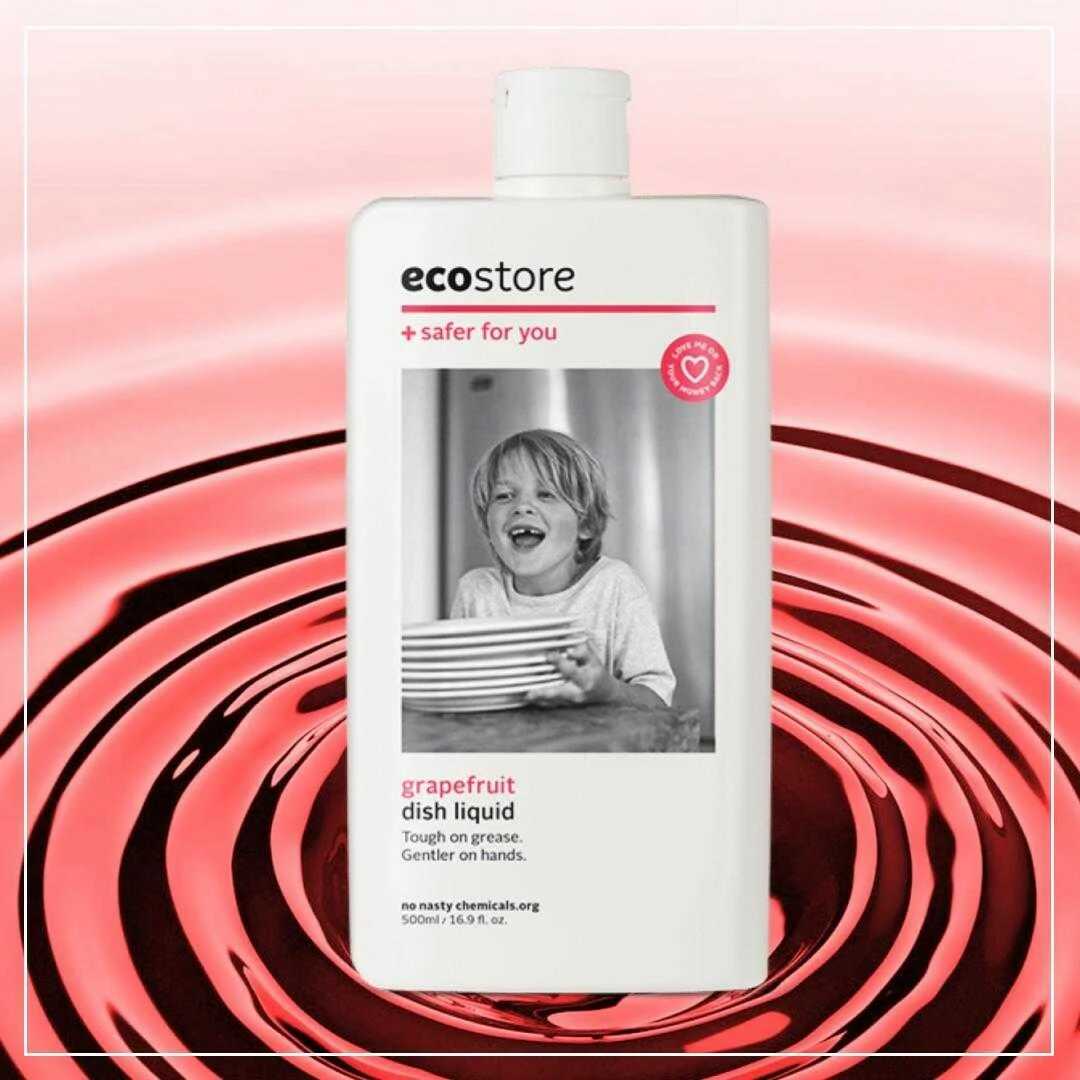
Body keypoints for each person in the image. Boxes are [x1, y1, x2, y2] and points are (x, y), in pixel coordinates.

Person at [450, 428, 675, 709]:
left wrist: (609, 691)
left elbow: (658, 701)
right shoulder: (476, 591)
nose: (522, 507)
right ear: (487, 525)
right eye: (504, 496)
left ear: (585, 525)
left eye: (546, 494)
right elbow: (453, 689)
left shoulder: (615, 585)